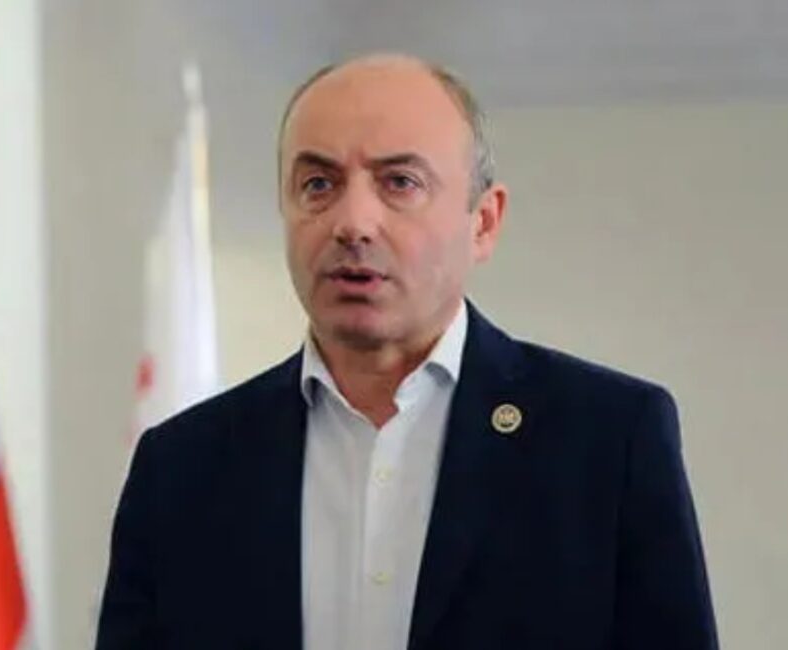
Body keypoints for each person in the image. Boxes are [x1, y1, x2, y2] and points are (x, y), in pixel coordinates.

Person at [97, 53, 718, 650]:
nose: (353, 223)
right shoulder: (180, 467)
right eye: (318, 184)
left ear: (484, 222)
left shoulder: (608, 440)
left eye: (400, 183)